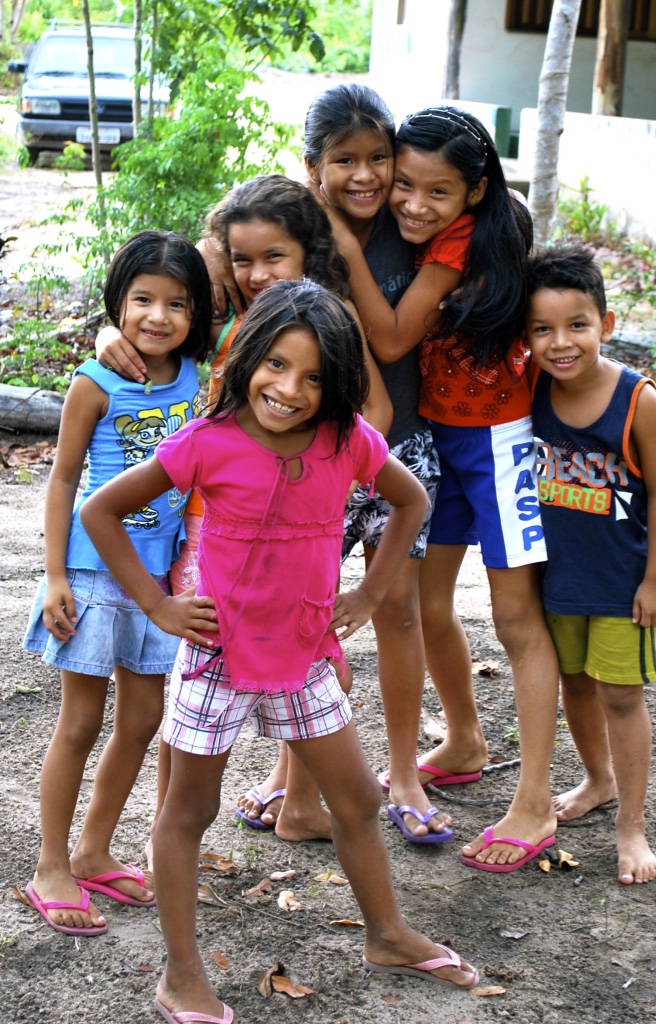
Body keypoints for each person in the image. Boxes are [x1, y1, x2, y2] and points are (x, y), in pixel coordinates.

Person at [80, 281, 480, 1023]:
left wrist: (366, 595)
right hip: (216, 655)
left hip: (304, 653)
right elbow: (100, 509)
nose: (290, 388)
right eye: (275, 365)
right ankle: (181, 974)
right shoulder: (209, 442)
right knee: (187, 809)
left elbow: (412, 499)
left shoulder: (348, 441)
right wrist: (158, 604)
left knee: (359, 801)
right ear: (248, 360)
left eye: (315, 376)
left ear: (338, 385)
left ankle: (387, 934)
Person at [95, 175, 392, 849]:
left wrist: (326, 456)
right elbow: (151, 332)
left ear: (306, 253)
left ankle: (296, 798)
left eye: (273, 257)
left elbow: (371, 416)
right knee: (197, 683)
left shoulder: (324, 319)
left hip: (305, 516)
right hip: (208, 524)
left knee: (315, 669)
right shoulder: (221, 315)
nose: (256, 272)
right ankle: (175, 825)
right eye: (242, 257)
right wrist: (106, 340)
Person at [330, 105, 560, 870]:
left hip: (496, 443)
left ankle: (533, 802)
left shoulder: (468, 237)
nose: (413, 203)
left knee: (516, 619)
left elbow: (394, 336)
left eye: (438, 190)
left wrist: (342, 250)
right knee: (429, 607)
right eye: (407, 184)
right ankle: (463, 738)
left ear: (475, 188)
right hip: (438, 434)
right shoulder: (438, 222)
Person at [236, 85, 450, 843]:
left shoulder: (415, 222)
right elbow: (218, 252)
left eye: (378, 158)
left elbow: (391, 353)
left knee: (396, 611)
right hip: (312, 460)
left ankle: (404, 770)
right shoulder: (293, 227)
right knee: (306, 617)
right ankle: (292, 779)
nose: (365, 176)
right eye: (345, 161)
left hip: (399, 447)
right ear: (313, 166)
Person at [22, 230, 212, 934]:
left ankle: (95, 850)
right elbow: (64, 478)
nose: (157, 316)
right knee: (81, 719)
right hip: (91, 569)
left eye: (176, 303)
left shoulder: (196, 376)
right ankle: (51, 865)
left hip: (159, 574)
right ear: (117, 303)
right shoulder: (93, 383)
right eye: (141, 300)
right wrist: (51, 576)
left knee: (141, 718)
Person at [524, 245, 656, 885]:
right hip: (557, 578)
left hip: (621, 582)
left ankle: (632, 826)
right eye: (542, 330)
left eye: (577, 325)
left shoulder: (636, 399)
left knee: (620, 693)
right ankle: (597, 780)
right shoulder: (530, 388)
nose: (561, 343)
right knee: (575, 684)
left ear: (605, 325)